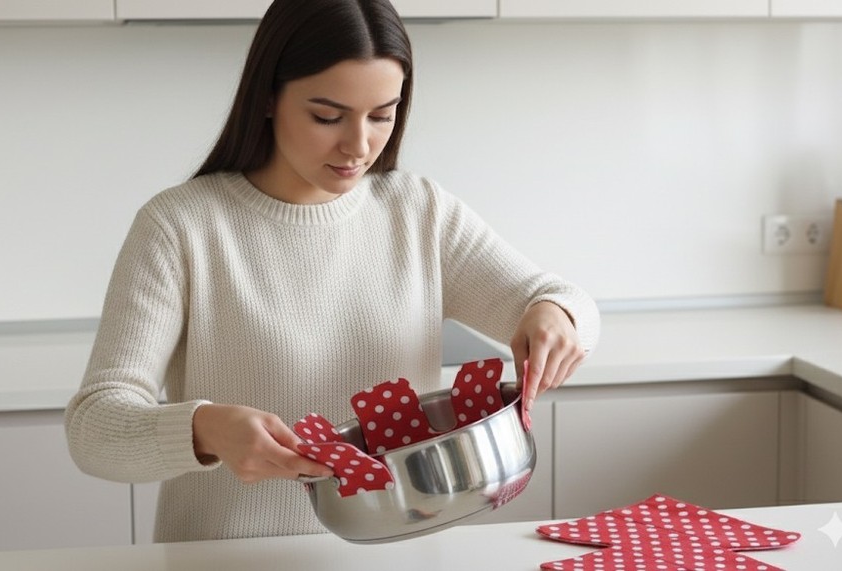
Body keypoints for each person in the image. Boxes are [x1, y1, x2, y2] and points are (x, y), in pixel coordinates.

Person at [65, 0, 600, 543]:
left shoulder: (418, 212)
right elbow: (94, 429)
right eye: (328, 117)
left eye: (382, 115)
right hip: (225, 556)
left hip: (398, 555)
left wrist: (557, 316)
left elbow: (555, 296)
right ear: (268, 97)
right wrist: (206, 430)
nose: (359, 145)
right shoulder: (180, 227)